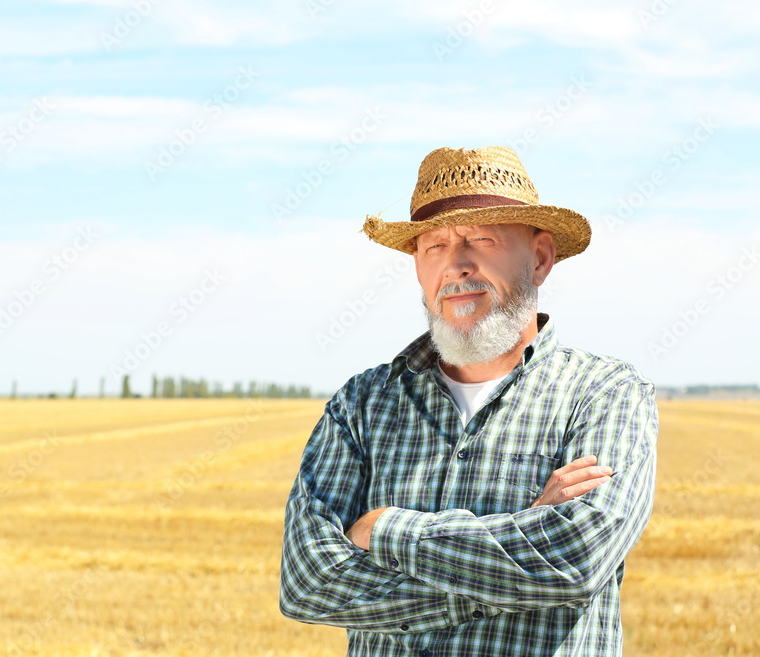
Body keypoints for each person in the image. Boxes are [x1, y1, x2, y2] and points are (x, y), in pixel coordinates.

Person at [279, 146, 657, 656]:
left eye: (481, 239)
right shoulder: (362, 405)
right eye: (434, 245)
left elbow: (575, 561)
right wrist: (513, 562)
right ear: (417, 265)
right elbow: (307, 581)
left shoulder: (604, 394)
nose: (456, 265)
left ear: (540, 258)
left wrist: (387, 529)